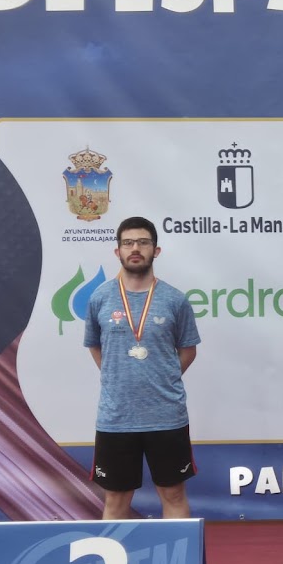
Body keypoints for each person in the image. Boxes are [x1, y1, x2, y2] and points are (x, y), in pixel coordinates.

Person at [84, 217, 200, 520]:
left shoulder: (175, 300)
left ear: (156, 250)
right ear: (117, 251)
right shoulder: (99, 298)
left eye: (143, 242)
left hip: (166, 416)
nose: (136, 248)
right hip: (116, 418)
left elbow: (188, 350)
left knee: (173, 494)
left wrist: (163, 378)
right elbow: (96, 347)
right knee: (116, 498)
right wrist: (116, 377)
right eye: (128, 243)